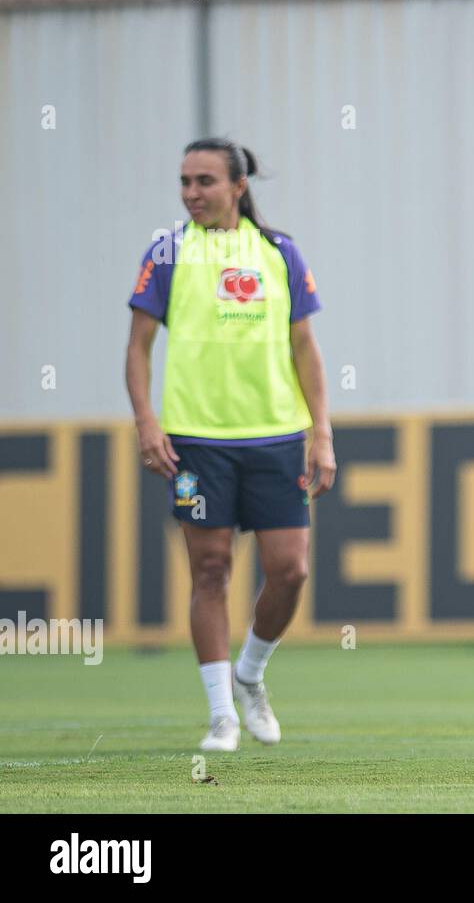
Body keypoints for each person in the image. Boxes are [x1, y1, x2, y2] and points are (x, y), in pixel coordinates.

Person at [125, 138, 336, 752]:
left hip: (274, 436)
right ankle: (221, 713)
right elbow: (137, 346)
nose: (192, 192)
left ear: (238, 186)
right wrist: (146, 421)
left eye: (205, 181)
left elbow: (305, 349)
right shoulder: (167, 251)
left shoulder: (278, 252)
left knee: (290, 571)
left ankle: (250, 674)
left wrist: (321, 431)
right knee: (210, 570)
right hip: (196, 441)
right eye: (185, 181)